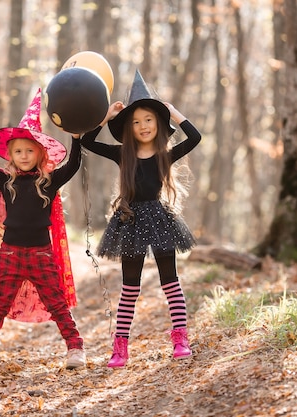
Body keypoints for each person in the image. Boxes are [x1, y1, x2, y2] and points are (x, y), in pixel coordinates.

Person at [80, 70, 201, 368]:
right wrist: (106, 117)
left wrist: (174, 112)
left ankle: (180, 337)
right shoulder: (123, 154)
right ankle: (120, 347)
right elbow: (88, 142)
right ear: (128, 129)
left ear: (158, 123)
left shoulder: (165, 154)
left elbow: (196, 137)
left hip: (159, 219)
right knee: (130, 286)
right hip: (130, 219)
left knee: (170, 280)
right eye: (136, 122)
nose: (143, 126)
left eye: (148, 119)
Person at [0, 89, 86, 369]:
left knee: (57, 303)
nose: (24, 156)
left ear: (39, 153)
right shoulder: (5, 181)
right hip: (11, 253)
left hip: (41, 253)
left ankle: (75, 348)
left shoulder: (48, 181)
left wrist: (76, 138)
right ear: (10, 155)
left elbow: (74, 164)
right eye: (18, 151)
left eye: (29, 151)